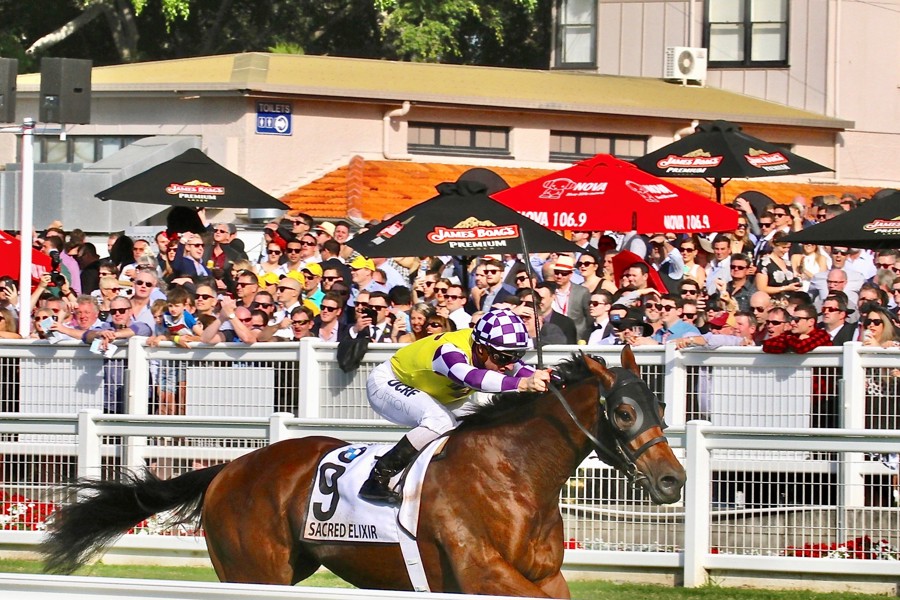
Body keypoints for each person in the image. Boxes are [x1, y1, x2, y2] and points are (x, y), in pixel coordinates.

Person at [359, 308, 552, 503]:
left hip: (433, 391)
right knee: (440, 422)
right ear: (481, 349)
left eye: (516, 356)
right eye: (503, 358)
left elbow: (523, 371)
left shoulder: (491, 348)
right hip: (387, 383)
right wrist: (522, 384)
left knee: (479, 422)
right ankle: (378, 477)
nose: (509, 365)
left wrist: (552, 380)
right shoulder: (449, 351)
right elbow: (471, 377)